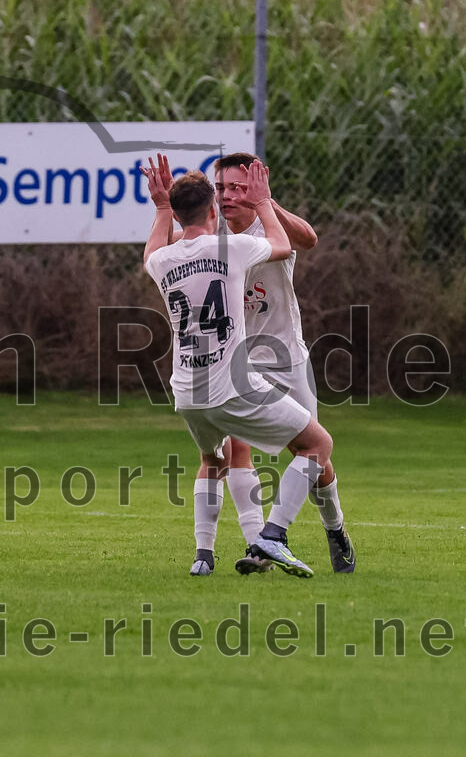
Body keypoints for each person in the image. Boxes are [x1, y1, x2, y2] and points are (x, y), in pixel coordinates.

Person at [142, 155, 334, 577]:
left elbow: (306, 239)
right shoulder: (232, 247)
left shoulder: (165, 258)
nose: (229, 195)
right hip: (234, 375)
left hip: (201, 383)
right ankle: (267, 539)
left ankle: (207, 555)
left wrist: (161, 207)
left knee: (219, 457)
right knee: (312, 446)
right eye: (221, 189)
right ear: (213, 206)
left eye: (236, 187)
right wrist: (263, 204)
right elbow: (281, 245)